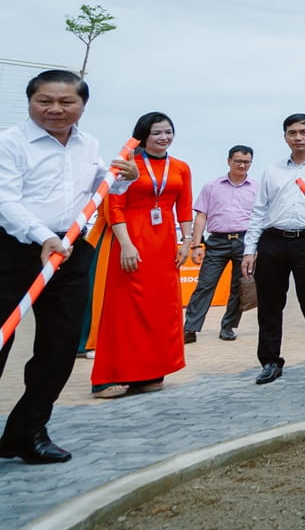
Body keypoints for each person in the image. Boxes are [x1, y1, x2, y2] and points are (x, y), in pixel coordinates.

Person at [0, 70, 137, 463]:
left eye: (66, 102)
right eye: (45, 101)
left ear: (82, 106)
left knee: (59, 347)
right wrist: (42, 236)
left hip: (71, 250)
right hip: (14, 247)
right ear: (30, 101)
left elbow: (100, 186)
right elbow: (5, 201)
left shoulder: (88, 144)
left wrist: (124, 178)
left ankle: (26, 432)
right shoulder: (9, 144)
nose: (55, 110)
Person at [91, 112, 193, 399]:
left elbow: (184, 207)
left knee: (161, 309)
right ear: (143, 136)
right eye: (157, 133)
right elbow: (114, 206)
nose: (163, 138)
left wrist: (187, 242)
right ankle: (107, 376)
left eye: (168, 132)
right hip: (131, 242)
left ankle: (150, 372)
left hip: (164, 245)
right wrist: (125, 243)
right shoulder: (126, 164)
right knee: (124, 310)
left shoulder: (181, 168)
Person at [243, 114, 305, 388]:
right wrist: (250, 249)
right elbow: (259, 210)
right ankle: (270, 361)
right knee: (270, 305)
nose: (298, 137)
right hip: (273, 241)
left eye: (303, 132)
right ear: (285, 136)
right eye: (292, 132)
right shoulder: (272, 170)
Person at [183, 145, 255, 344]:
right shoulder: (211, 187)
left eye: (246, 162)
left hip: (245, 241)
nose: (242, 165)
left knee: (240, 287)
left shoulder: (256, 188)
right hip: (217, 241)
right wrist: (196, 245)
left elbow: (261, 219)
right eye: (238, 161)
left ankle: (228, 327)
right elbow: (201, 216)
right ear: (229, 161)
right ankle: (190, 328)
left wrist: (255, 248)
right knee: (205, 285)